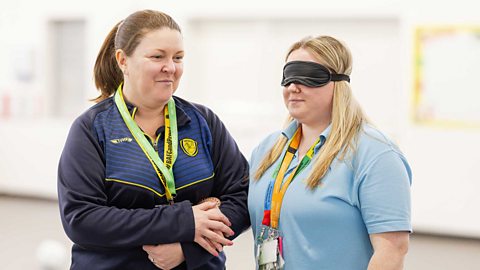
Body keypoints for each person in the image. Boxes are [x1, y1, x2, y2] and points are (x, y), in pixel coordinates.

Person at [58, 9, 250, 270]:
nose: (170, 67)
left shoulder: (203, 121)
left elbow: (241, 197)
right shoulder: (92, 129)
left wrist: (187, 248)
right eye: (157, 56)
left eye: (178, 57)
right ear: (123, 60)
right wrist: (183, 221)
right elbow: (82, 219)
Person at [248, 35, 411, 270]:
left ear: (338, 82)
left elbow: (393, 250)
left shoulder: (374, 154)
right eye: (288, 76)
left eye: (308, 76)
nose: (293, 86)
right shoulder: (268, 150)